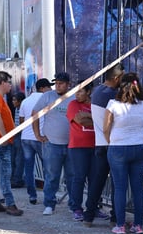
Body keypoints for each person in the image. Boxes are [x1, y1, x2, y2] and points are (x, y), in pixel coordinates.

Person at [103, 72, 143, 234]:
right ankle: (138, 225)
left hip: (118, 147)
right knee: (138, 188)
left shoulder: (113, 104)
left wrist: (111, 141)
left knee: (120, 188)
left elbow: (106, 128)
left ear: (120, 86)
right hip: (141, 146)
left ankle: (120, 225)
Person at [83, 63, 124, 227]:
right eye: (121, 78)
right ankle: (116, 217)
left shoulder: (98, 91)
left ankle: (88, 215)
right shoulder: (112, 94)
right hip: (113, 143)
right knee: (117, 183)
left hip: (100, 143)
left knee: (97, 182)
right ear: (116, 78)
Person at [32, 72, 74, 216]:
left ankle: (74, 205)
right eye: (56, 83)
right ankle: (49, 204)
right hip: (52, 143)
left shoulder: (74, 97)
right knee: (51, 175)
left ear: (68, 84)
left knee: (72, 176)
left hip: (71, 144)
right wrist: (37, 134)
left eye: (61, 83)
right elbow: (35, 113)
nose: (58, 86)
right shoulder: (47, 96)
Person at [0, 71, 23, 216]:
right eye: (8, 82)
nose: (10, 85)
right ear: (2, 83)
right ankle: (10, 204)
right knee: (5, 173)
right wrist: (5, 137)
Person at [66, 80, 104, 221]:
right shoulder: (73, 105)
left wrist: (89, 117)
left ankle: (93, 208)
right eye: (76, 91)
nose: (77, 94)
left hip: (96, 146)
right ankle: (76, 208)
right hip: (78, 147)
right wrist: (95, 119)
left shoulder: (95, 105)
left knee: (95, 179)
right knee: (79, 177)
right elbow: (80, 120)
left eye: (81, 91)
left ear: (89, 92)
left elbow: (103, 121)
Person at [19, 78, 53, 205]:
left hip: (26, 138)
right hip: (41, 138)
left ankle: (32, 196)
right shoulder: (46, 100)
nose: (51, 89)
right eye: (49, 87)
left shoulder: (25, 101)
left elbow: (22, 121)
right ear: (43, 88)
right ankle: (48, 196)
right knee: (47, 168)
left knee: (29, 168)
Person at [10, 92, 26, 188]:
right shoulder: (16, 109)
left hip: (20, 134)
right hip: (15, 134)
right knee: (13, 158)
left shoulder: (22, 109)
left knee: (19, 158)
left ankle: (17, 179)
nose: (13, 102)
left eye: (15, 100)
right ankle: (13, 178)